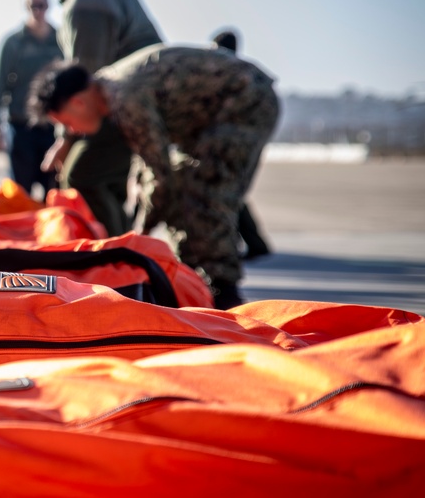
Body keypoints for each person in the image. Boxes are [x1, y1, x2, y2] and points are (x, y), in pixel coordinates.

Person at [28, 45, 280, 310]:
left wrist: (141, 232)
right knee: (184, 186)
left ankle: (224, 295)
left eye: (67, 122)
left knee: (206, 191)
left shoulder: (125, 98)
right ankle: (196, 280)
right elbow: (150, 168)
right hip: (213, 116)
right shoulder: (110, 88)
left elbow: (160, 177)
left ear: (77, 102)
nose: (72, 131)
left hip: (246, 102)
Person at [31, 0, 163, 235]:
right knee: (109, 182)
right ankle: (125, 260)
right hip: (129, 103)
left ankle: (117, 259)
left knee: (81, 174)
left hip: (122, 105)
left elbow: (83, 86)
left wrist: (64, 141)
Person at [0, 0, 62, 200]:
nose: (38, 11)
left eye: (43, 6)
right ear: (26, 7)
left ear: (49, 7)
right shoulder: (13, 43)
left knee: (54, 190)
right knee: (21, 193)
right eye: (33, 6)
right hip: (21, 126)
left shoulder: (60, 40)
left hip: (53, 128)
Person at [212, 27, 273, 261]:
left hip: (230, 141)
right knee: (234, 191)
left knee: (225, 190)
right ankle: (253, 242)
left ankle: (235, 243)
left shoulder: (220, 71)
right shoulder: (248, 71)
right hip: (251, 139)